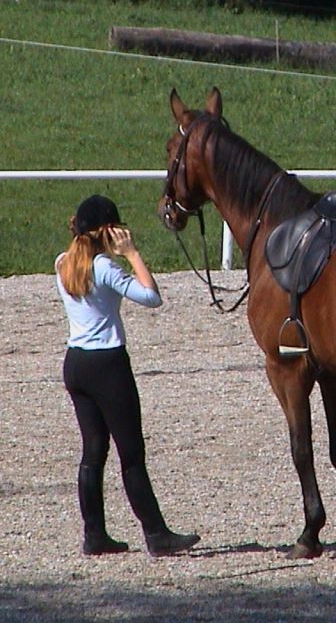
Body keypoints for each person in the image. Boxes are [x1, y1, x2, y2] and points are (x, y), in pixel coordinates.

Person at [55, 194, 200, 557]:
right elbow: (151, 296)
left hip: (76, 363)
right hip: (108, 366)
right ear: (108, 230)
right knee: (131, 455)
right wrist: (132, 253)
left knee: (92, 453)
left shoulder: (62, 264)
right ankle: (156, 534)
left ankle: (94, 535)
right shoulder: (104, 267)